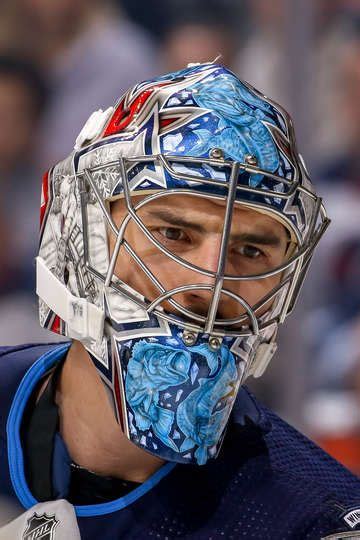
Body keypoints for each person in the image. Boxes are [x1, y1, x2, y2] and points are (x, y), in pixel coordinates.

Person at [0, 63, 359, 539]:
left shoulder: (313, 519)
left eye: (250, 250)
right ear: (82, 235)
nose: (211, 283)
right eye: (174, 234)